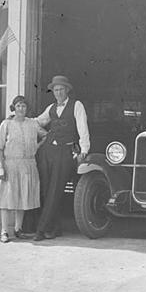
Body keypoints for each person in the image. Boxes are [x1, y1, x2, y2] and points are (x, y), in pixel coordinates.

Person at [33, 75, 89, 240]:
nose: (58, 93)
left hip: (66, 152)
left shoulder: (76, 106)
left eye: (61, 89)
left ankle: (41, 230)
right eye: (55, 90)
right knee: (45, 190)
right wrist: (43, 133)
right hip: (48, 151)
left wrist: (83, 150)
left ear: (67, 90)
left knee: (55, 191)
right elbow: (36, 122)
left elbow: (83, 129)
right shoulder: (51, 107)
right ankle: (55, 228)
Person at [0, 95, 42, 242]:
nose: (21, 109)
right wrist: (1, 168)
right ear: (14, 108)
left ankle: (18, 229)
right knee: (7, 199)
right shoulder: (6, 124)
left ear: (27, 109)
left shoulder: (32, 124)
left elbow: (45, 136)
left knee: (22, 196)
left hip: (27, 165)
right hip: (11, 165)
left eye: (24, 106)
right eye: (18, 106)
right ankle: (4, 231)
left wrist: (36, 147)